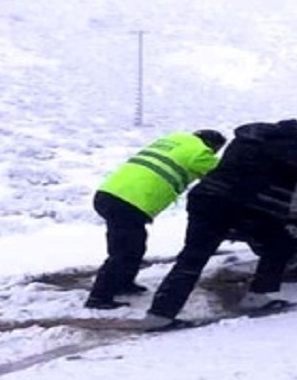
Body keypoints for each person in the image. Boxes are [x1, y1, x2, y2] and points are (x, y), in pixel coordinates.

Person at [143, 119, 297, 329]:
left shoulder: (242, 141)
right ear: (295, 136)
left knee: (192, 257)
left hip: (206, 200)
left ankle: (160, 315)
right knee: (280, 243)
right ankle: (257, 296)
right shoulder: (286, 145)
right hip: (243, 206)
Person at [84, 128, 228, 310]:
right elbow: (225, 173)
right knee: (125, 252)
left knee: (133, 245)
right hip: (129, 202)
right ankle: (99, 297)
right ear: (212, 146)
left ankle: (123, 283)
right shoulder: (199, 152)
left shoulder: (174, 139)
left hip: (108, 194)